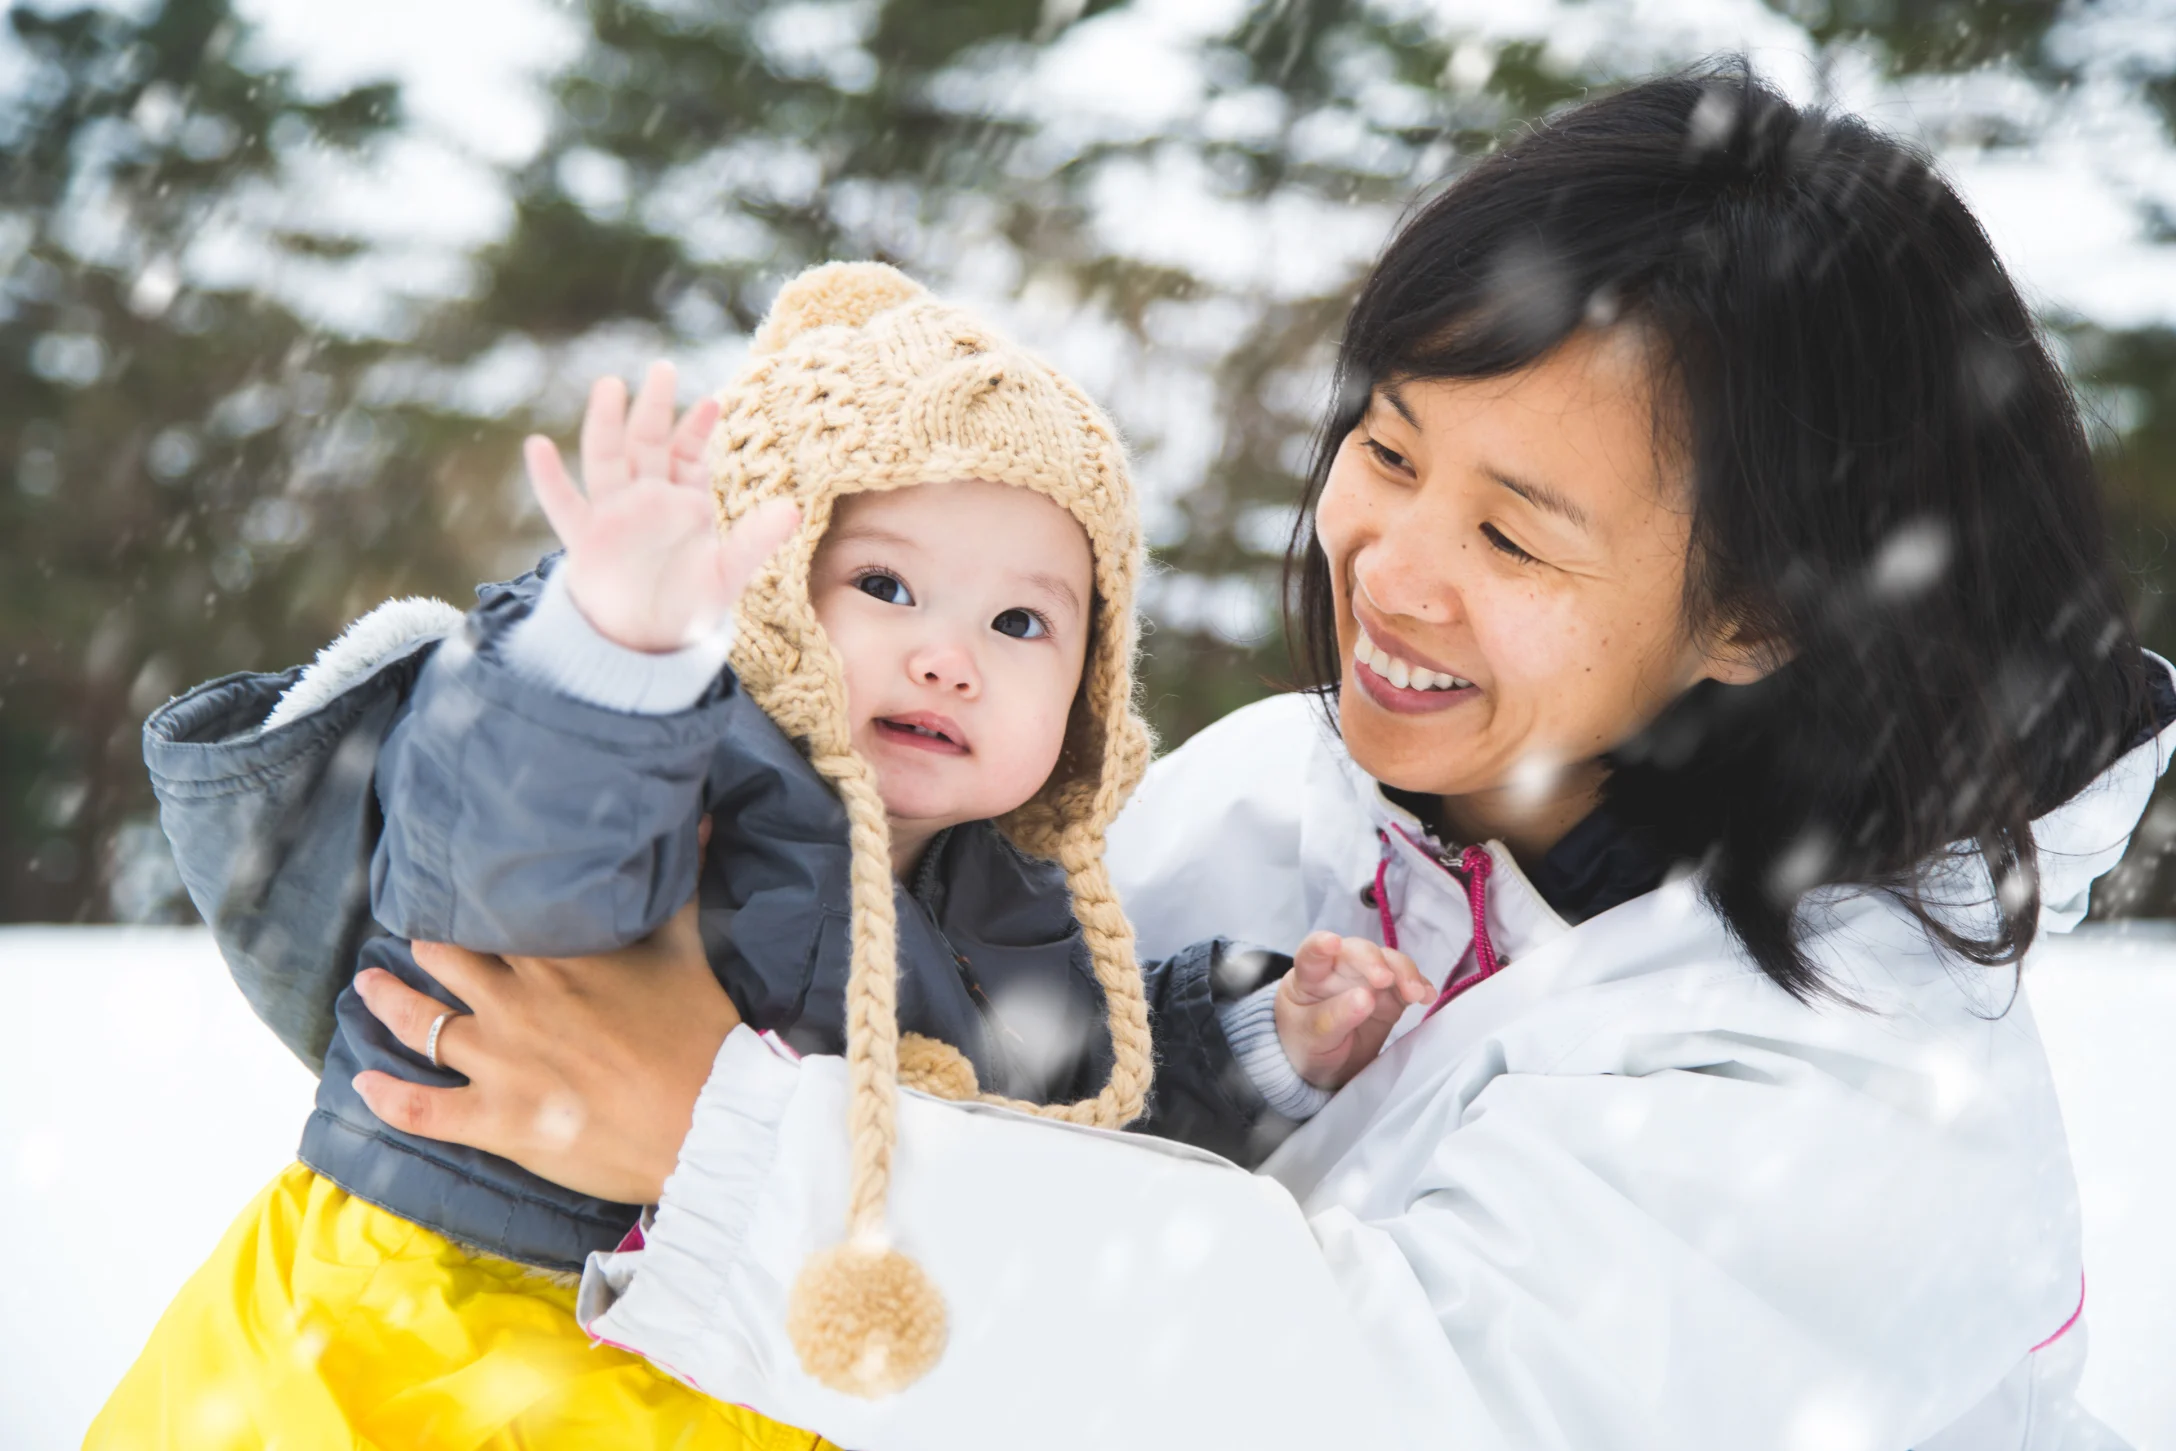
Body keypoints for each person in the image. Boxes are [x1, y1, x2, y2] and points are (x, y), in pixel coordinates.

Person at [344, 70, 2169, 1449]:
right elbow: (1036, 1094)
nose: (1390, 568)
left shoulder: (1840, 1099)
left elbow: (1361, 1397)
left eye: (1517, 539)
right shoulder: (1286, 792)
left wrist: (739, 1147)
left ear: (1760, 612)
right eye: (1386, 450)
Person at [95, 263, 1427, 1445]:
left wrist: (1248, 1043)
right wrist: (612, 646)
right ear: (769, 587)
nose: (947, 655)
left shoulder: (1011, 907)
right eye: (887, 586)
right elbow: (507, 864)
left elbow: (1060, 1155)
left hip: (734, 1377)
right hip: (438, 1333)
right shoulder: (682, 755)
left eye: (1023, 621)